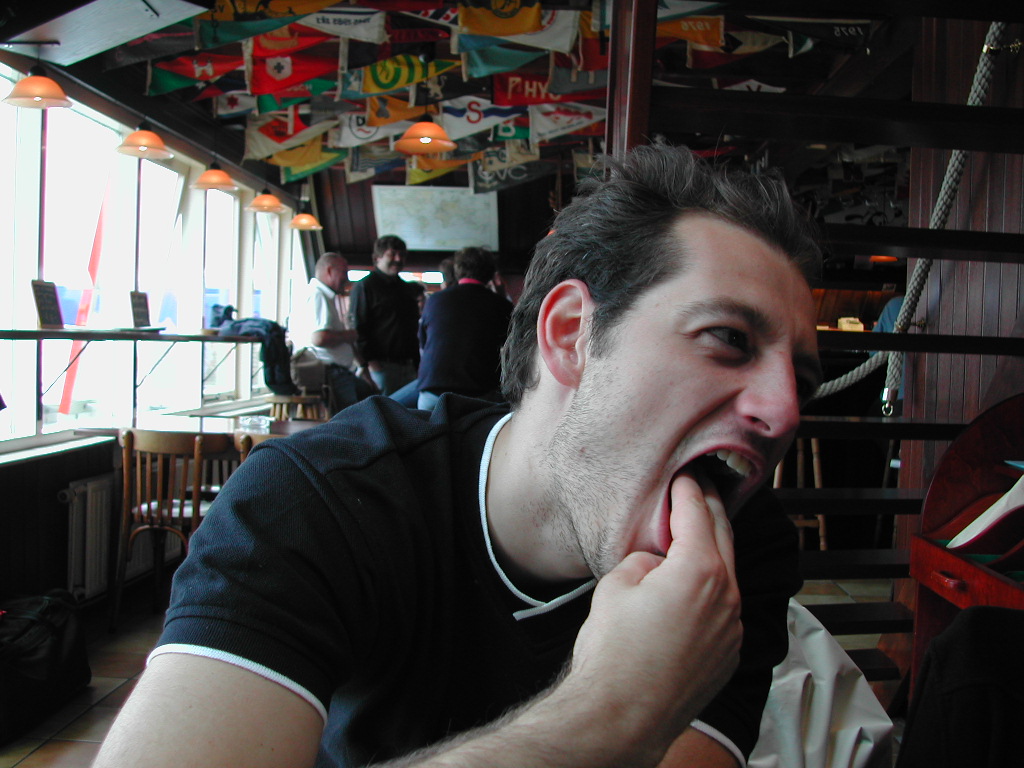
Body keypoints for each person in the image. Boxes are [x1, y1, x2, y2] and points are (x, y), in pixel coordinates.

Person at [94, 143, 823, 768]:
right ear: (571, 334)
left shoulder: (744, 556)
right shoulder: (318, 499)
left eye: (803, 378)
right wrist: (613, 712)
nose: (785, 410)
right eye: (728, 338)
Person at [415, 246, 513, 411]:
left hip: (432, 388)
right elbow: (511, 350)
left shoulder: (435, 300)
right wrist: (502, 297)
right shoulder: (501, 305)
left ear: (458, 270)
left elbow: (423, 343)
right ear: (490, 273)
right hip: (478, 392)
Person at [291, 252, 375, 413]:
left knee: (367, 401)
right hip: (331, 373)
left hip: (337, 372)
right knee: (349, 422)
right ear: (329, 271)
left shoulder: (318, 295)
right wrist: (350, 335)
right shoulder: (318, 296)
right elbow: (319, 338)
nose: (347, 278)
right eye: (344, 272)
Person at [348, 234, 421, 395]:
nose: (398, 259)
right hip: (382, 366)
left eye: (402, 255)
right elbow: (358, 327)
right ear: (377, 257)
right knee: (384, 416)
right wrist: (370, 362)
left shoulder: (405, 288)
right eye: (392, 254)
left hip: (409, 366)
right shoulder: (365, 286)